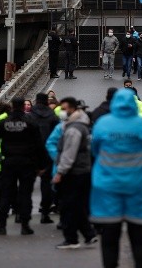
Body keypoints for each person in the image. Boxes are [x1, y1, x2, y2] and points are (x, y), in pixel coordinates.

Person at [90, 89, 142, 268]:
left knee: (110, 238)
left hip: (108, 187)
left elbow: (95, 150)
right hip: (138, 186)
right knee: (140, 239)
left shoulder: (103, 123)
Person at [0, 97, 47, 236]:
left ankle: (2, 225)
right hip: (27, 162)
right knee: (25, 194)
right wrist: (41, 165)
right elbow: (39, 145)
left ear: (12, 107)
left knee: (6, 194)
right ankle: (25, 224)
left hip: (8, 161)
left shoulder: (4, 123)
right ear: (22, 107)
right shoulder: (31, 123)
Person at [52, 98, 97, 249]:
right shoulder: (83, 125)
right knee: (78, 206)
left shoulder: (73, 129)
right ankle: (88, 234)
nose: (62, 112)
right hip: (83, 170)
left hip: (73, 172)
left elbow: (69, 153)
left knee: (67, 206)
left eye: (64, 109)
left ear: (71, 109)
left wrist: (60, 172)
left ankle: (71, 239)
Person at [28, 93, 60, 224]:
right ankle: (45, 213)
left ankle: (22, 214)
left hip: (31, 153)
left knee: (26, 184)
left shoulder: (29, 116)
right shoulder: (53, 117)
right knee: (47, 184)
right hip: (47, 153)